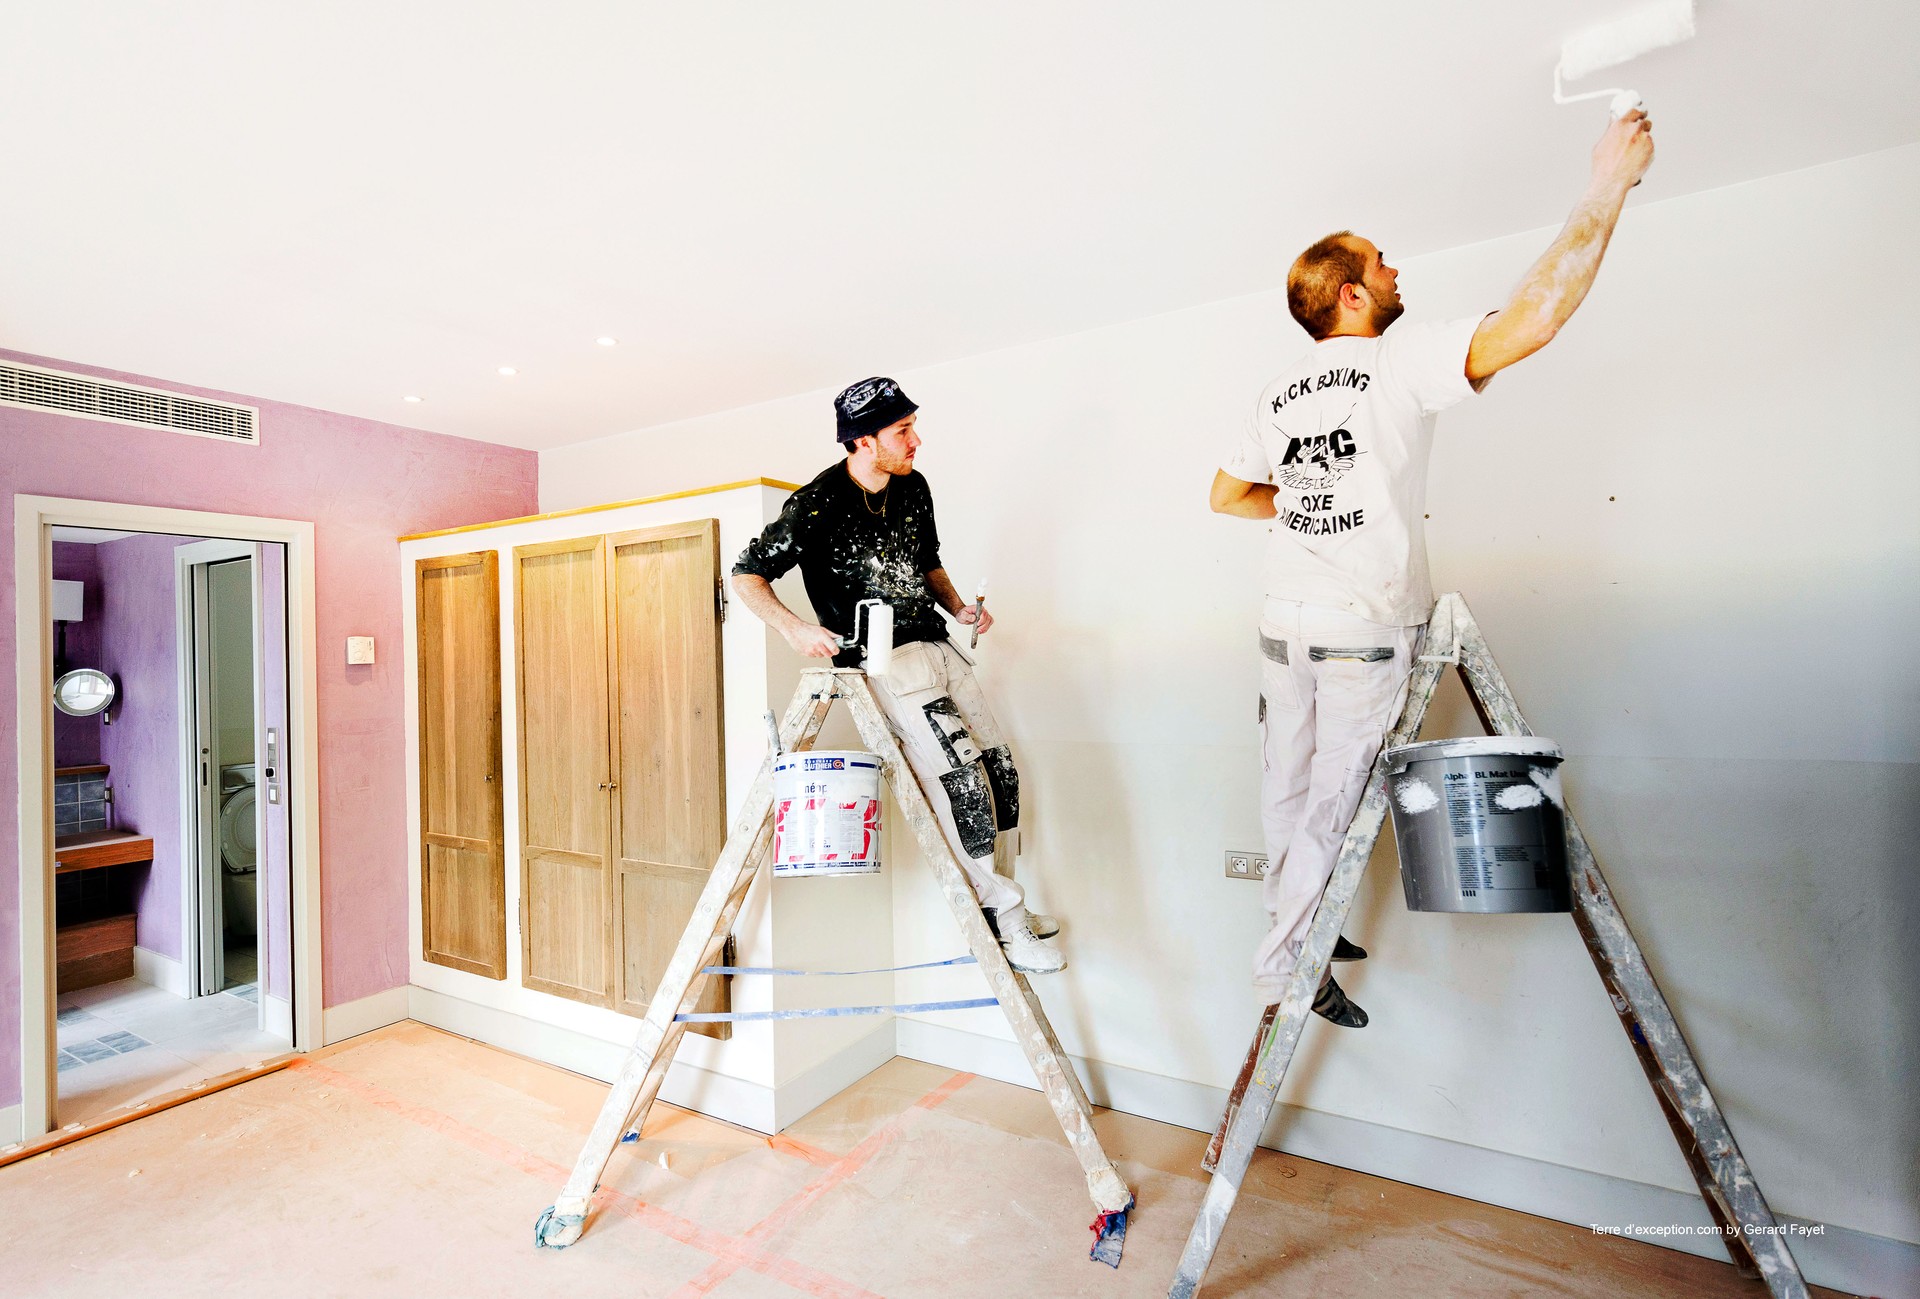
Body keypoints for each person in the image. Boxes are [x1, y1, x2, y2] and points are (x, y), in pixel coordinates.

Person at [1211, 111, 1656, 1025]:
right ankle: (1284, 968)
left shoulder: (1275, 389)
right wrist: (1608, 183)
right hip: (1361, 625)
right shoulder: (1395, 357)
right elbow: (1535, 319)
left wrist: (1308, 506)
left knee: (1286, 790)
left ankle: (1295, 925)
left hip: (1284, 616)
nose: (1395, 271)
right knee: (1333, 805)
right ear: (1349, 294)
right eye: (1381, 264)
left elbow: (1228, 495)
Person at [731, 376, 1067, 973]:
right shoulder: (816, 503)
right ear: (864, 440)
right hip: (886, 661)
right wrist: (795, 629)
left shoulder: (913, 486)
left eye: (913, 427)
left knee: (999, 772)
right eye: (903, 430)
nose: (916, 441)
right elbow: (746, 575)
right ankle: (1007, 918)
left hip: (938, 645)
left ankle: (1000, 905)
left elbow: (926, 559)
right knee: (960, 780)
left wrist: (957, 607)